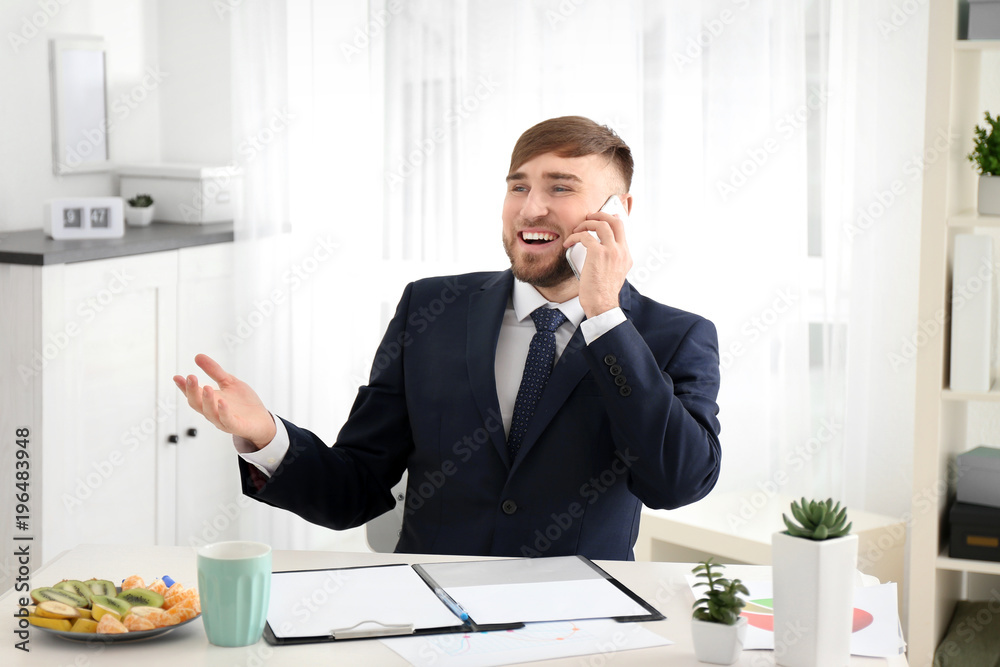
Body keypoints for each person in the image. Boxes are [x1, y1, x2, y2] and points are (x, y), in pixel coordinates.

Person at [174, 115, 721, 561]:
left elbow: (676, 484)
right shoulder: (430, 310)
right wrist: (266, 435)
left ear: (617, 213)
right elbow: (355, 488)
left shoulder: (673, 336)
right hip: (429, 615)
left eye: (561, 188)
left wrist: (605, 319)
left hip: (579, 620)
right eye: (519, 186)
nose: (532, 207)